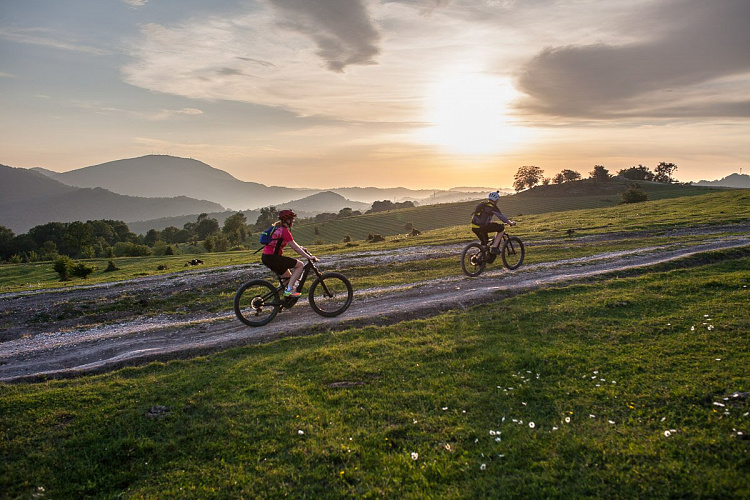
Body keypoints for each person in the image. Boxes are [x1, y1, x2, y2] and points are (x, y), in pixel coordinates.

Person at [261, 209, 317, 297]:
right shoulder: (284, 231)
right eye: (292, 219)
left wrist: (301, 248)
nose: (293, 221)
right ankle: (289, 290)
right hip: (273, 258)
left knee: (288, 278)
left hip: (267, 257)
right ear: (287, 220)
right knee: (300, 265)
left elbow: (293, 245)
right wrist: (309, 257)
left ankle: (277, 298)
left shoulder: (277, 228)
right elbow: (294, 247)